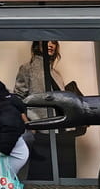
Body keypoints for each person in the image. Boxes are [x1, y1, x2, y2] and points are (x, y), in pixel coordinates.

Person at [15, 40, 79, 180]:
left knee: (66, 170)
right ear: (37, 45)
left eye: (54, 43)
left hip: (63, 128)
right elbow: (18, 98)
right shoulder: (27, 69)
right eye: (47, 42)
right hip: (42, 128)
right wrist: (29, 124)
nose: (50, 45)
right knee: (42, 172)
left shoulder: (56, 73)